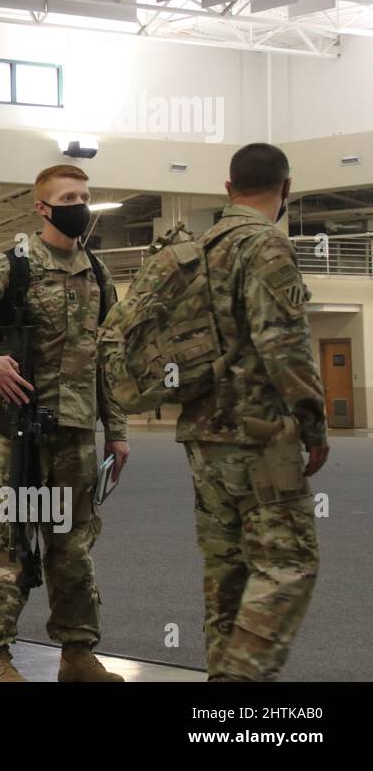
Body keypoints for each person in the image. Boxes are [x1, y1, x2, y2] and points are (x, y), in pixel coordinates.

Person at [0, 165, 128, 682]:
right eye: (69, 197)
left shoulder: (97, 273)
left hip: (74, 436)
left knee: (72, 546)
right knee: (3, 541)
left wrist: (117, 430)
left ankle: (76, 653)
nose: (81, 205)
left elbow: (108, 358)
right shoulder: (9, 269)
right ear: (42, 207)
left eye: (86, 196)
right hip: (11, 434)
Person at [177, 143, 326, 681]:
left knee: (228, 571)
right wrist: (314, 424)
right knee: (287, 565)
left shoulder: (200, 246)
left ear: (227, 189)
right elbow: (282, 345)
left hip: (203, 434)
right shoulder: (266, 246)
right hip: (259, 437)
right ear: (286, 188)